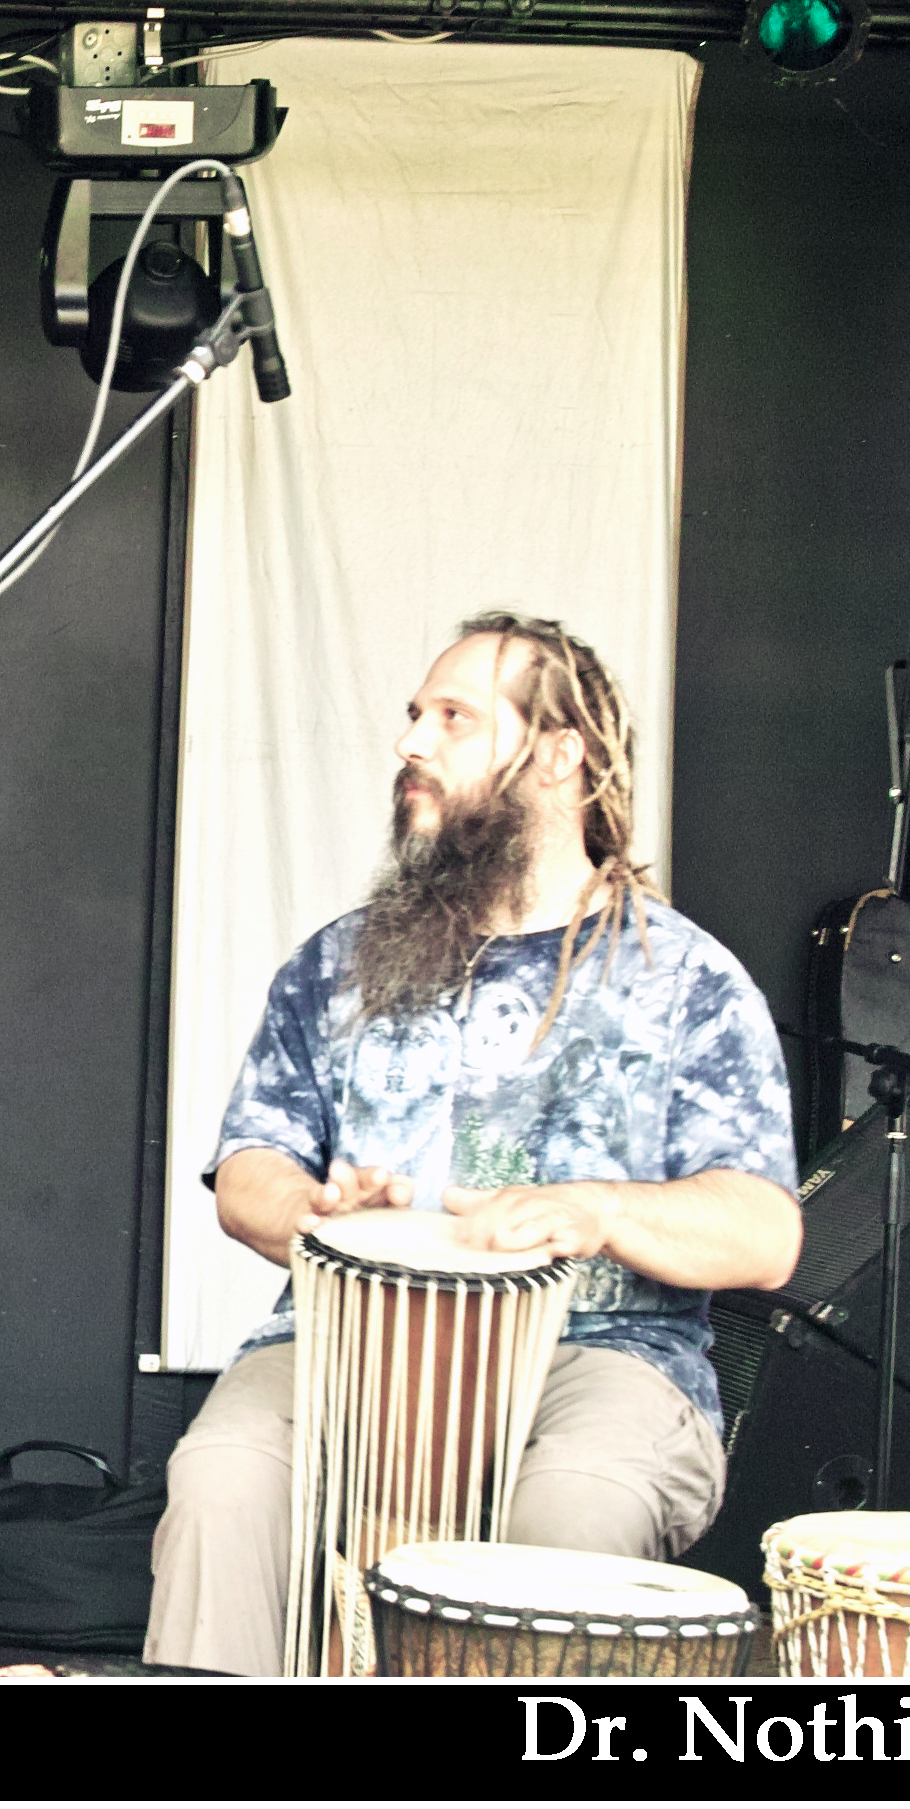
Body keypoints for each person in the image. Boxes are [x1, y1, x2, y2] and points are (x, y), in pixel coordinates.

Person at [143, 612, 802, 1677]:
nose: (412, 741)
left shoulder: (687, 978)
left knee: (573, 1513)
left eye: (454, 717)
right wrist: (318, 1213)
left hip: (605, 1353)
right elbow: (249, 1171)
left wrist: (596, 1208)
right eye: (416, 714)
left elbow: (765, 1233)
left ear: (558, 753)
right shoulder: (338, 963)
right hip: (346, 1343)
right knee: (222, 1481)